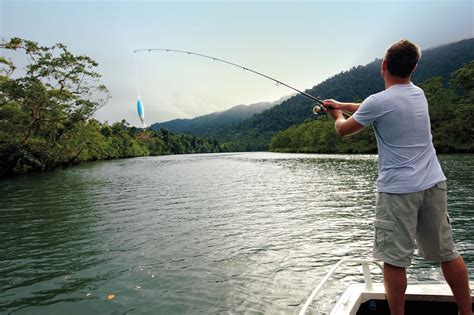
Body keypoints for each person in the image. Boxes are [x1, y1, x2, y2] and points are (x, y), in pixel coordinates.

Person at [323, 39, 472, 315]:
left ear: (383, 67)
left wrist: (336, 114)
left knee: (394, 261)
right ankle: (467, 312)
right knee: (448, 253)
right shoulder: (419, 94)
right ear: (413, 68)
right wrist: (342, 104)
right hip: (433, 184)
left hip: (398, 191)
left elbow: (344, 130)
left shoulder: (378, 102)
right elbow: (374, 108)